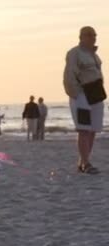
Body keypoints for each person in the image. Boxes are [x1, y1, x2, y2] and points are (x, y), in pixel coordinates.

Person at [64, 26, 105, 174]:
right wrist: (76, 94)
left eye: (94, 35)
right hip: (82, 94)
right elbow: (69, 75)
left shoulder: (94, 54)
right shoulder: (74, 53)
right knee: (84, 129)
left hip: (96, 93)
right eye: (89, 35)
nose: (93, 37)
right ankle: (85, 163)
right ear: (81, 37)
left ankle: (83, 161)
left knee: (93, 129)